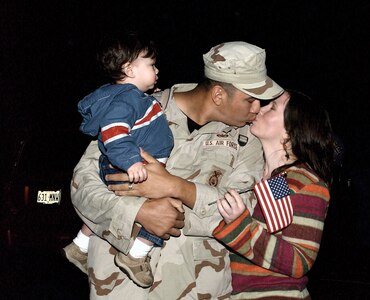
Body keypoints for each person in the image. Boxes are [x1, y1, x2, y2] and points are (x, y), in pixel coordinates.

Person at [70, 41, 284, 299]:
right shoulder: (137, 106)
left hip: (196, 287)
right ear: (218, 95)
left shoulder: (247, 140)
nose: (256, 109)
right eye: (250, 99)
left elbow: (246, 210)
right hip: (120, 287)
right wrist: (138, 212)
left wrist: (177, 188)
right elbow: (83, 183)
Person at [62, 31, 174, 288]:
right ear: (130, 69)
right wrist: (131, 161)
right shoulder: (127, 98)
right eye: (151, 65)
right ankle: (135, 256)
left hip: (127, 164)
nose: (157, 70)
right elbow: (113, 131)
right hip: (131, 166)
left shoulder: (130, 97)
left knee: (113, 203)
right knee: (168, 205)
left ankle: (80, 246)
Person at [212, 90, 335, 299]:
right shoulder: (258, 175)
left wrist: (239, 226)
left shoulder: (305, 183)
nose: (260, 108)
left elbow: (299, 261)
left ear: (289, 133)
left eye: (273, 107)